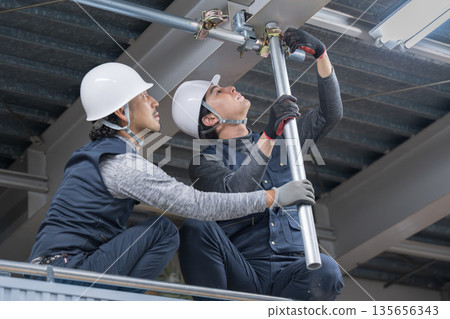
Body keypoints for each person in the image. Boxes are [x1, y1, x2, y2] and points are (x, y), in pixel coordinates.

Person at [28, 62, 315, 282]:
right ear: (120, 112)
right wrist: (272, 197)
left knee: (156, 230)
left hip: (61, 266)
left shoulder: (103, 154)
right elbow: (199, 205)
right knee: (162, 229)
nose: (154, 102)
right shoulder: (119, 164)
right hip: (65, 270)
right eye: (143, 97)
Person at [171, 28, 344, 300]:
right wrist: (269, 136)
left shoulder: (284, 138)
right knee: (197, 228)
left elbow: (330, 114)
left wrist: (321, 55)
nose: (231, 88)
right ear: (210, 119)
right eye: (218, 92)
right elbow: (237, 192)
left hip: (295, 269)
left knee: (328, 270)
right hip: (246, 273)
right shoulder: (203, 161)